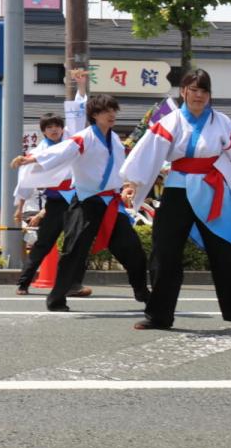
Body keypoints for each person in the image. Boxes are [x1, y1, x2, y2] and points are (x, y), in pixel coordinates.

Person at [121, 69, 231, 332]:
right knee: (164, 252)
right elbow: (147, 153)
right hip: (177, 188)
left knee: (226, 253)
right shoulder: (170, 121)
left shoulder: (224, 123)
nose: (199, 95)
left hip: (213, 189)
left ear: (209, 94)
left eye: (204, 91)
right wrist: (132, 183)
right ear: (183, 91)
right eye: (194, 90)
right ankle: (159, 316)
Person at [13, 93, 149, 312]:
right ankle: (57, 298)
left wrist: (128, 185)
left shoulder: (115, 139)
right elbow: (62, 151)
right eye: (106, 111)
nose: (112, 114)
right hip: (86, 202)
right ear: (94, 115)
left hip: (111, 203)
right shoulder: (84, 137)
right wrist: (32, 158)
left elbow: (121, 167)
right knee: (74, 251)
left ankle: (142, 292)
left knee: (132, 248)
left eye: (113, 110)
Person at [13, 71, 92, 297]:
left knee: (77, 243)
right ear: (43, 131)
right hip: (55, 203)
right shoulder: (38, 152)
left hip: (77, 200)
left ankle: (74, 284)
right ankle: (23, 282)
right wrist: (19, 207)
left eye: (57, 126)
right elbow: (25, 181)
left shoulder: (71, 140)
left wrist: (81, 86)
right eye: (49, 127)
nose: (54, 129)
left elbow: (78, 114)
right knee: (44, 243)